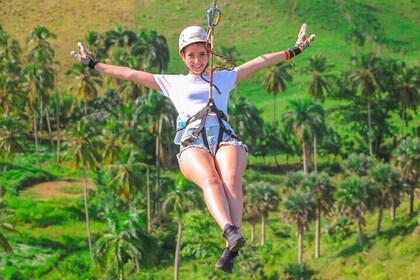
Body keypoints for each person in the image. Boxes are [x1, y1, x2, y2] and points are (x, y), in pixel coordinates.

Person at [70, 23, 315, 273]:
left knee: (231, 178)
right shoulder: (173, 83)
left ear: (209, 54)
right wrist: (94, 64)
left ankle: (232, 246)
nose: (197, 60)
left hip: (224, 138)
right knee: (211, 179)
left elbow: (260, 62)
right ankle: (230, 232)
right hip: (192, 143)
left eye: (202, 54)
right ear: (183, 57)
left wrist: (294, 50)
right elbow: (130, 73)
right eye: (191, 55)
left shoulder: (224, 78)